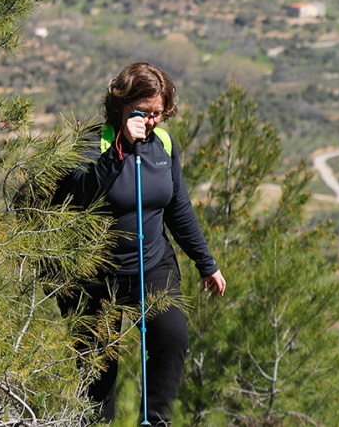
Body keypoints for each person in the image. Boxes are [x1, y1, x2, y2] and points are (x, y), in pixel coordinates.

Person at [58, 62, 226, 425]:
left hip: (152, 264)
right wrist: (119, 148)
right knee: (97, 369)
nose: (151, 121)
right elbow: (81, 194)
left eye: (158, 113)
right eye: (143, 112)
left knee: (172, 339)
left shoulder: (163, 143)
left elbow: (177, 206)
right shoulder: (90, 141)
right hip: (95, 273)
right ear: (121, 104)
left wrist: (206, 263)